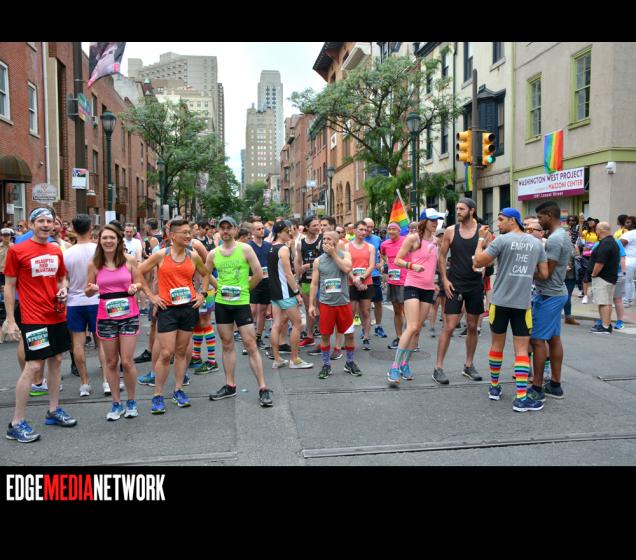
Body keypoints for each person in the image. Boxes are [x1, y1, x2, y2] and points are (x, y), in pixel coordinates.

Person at [4, 207, 77, 443]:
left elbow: (61, 278)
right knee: (34, 366)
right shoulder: (17, 250)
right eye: (41, 221)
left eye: (50, 221)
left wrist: (63, 289)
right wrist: (11, 320)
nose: (46, 225)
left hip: (56, 314)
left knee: (57, 360)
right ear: (31, 224)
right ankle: (16, 423)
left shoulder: (56, 250)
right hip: (33, 317)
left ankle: (53, 411)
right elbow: (9, 286)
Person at [472, 208, 548, 412]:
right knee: (521, 350)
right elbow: (543, 273)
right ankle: (521, 397)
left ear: (513, 220)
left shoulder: (501, 241)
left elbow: (478, 261)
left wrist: (481, 239)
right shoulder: (536, 243)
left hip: (499, 302)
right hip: (522, 303)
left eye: (501, 219)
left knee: (497, 345)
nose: (498, 223)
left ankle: (494, 387)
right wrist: (525, 274)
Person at [138, 219, 211, 414]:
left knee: (181, 352)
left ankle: (178, 390)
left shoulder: (193, 256)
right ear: (172, 236)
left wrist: (202, 294)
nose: (188, 236)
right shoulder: (161, 255)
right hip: (168, 309)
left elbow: (205, 274)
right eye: (184, 232)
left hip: (188, 308)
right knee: (165, 353)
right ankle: (157, 395)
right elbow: (139, 272)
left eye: (189, 232)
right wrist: (152, 296)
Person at [207, 216, 273, 407]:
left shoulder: (245, 249)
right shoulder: (213, 253)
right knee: (227, 344)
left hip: (242, 303)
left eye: (229, 227)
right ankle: (230, 385)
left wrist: (246, 290)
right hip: (222, 304)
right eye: (222, 228)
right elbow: (206, 273)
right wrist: (218, 287)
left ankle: (263, 388)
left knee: (250, 344)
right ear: (219, 231)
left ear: (235, 230)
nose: (225, 231)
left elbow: (258, 273)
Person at [86, 224, 143, 420]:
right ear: (99, 241)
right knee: (111, 362)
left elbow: (139, 282)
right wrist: (91, 289)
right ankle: (116, 403)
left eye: (112, 238)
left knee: (127, 362)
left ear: (119, 240)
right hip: (106, 317)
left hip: (128, 315)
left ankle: (132, 401)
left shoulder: (129, 260)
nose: (108, 241)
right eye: (104, 238)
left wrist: (135, 287)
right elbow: (87, 290)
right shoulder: (94, 264)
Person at [388, 209, 444, 384]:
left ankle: (405, 364)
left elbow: (436, 263)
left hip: (428, 288)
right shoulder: (413, 239)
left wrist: (439, 280)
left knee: (417, 329)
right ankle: (394, 367)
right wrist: (412, 266)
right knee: (411, 326)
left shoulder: (436, 241)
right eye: (432, 220)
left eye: (437, 220)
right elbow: (397, 260)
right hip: (412, 285)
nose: (435, 223)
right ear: (424, 221)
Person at [433, 198, 485, 385]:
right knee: (449, 326)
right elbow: (441, 256)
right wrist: (444, 279)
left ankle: (468, 365)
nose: (458, 211)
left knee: (472, 326)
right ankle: (438, 368)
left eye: (462, 209)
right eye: (457, 209)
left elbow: (490, 255)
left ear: (472, 210)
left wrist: (484, 266)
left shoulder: (483, 231)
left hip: (475, 285)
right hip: (454, 284)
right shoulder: (450, 231)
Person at [527, 201, 573, 402]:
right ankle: (555, 385)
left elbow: (546, 273)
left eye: (540, 217)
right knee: (553, 339)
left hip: (549, 294)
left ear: (549, 215)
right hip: (557, 292)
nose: (539, 222)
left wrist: (526, 273)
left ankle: (537, 387)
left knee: (537, 340)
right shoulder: (563, 235)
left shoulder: (554, 239)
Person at [64, 214, 107, 397]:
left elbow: (64, 279)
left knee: (78, 344)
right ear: (90, 229)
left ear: (73, 229)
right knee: (102, 342)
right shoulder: (99, 250)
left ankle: (84, 384)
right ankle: (106, 381)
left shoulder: (67, 253)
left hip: (74, 301)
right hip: (96, 300)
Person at [309, 230, 361, 379]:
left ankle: (349, 363)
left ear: (337, 242)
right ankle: (326, 365)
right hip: (326, 304)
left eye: (329, 239)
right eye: (324, 239)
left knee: (349, 335)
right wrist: (312, 305)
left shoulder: (345, 255)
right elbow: (314, 284)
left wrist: (333, 254)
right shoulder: (318, 261)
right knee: (325, 336)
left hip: (343, 303)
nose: (325, 242)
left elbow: (347, 269)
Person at [268, 221, 312, 370]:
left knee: (276, 325)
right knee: (298, 324)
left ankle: (277, 359)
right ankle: (294, 360)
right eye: (287, 231)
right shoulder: (283, 249)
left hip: (275, 292)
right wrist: (297, 292)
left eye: (291, 230)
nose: (290, 233)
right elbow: (288, 274)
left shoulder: (271, 248)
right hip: (285, 292)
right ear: (279, 233)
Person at [347, 221, 375, 351]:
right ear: (354, 230)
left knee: (365, 311)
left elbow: (371, 265)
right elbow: (346, 266)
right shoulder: (347, 246)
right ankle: (349, 338)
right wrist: (354, 279)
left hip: (366, 282)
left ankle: (366, 337)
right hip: (351, 282)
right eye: (361, 229)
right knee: (351, 312)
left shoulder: (370, 247)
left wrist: (362, 278)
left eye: (365, 230)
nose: (364, 232)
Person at [589, 222, 620, 335]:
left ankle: (605, 326)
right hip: (610, 277)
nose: (596, 231)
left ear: (601, 230)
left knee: (603, 302)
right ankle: (606, 323)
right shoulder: (612, 242)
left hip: (602, 277)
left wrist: (593, 274)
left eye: (597, 229)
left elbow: (600, 262)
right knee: (607, 302)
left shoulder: (605, 243)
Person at [380, 222, 407, 350]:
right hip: (392, 281)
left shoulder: (406, 241)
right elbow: (382, 254)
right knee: (397, 311)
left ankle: (411, 339)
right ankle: (399, 337)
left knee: (407, 312)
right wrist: (387, 263)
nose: (391, 231)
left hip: (405, 281)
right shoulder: (385, 244)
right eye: (389, 229)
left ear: (399, 231)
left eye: (394, 229)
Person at [297, 216, 323, 348]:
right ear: (307, 227)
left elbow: (326, 259)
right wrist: (297, 278)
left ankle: (324, 338)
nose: (318, 227)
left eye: (318, 225)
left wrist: (310, 265)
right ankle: (309, 336)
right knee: (309, 308)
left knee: (321, 308)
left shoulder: (322, 240)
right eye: (314, 225)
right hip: (306, 280)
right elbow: (298, 262)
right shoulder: (300, 243)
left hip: (321, 279)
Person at [248, 221, 272, 350]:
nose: (261, 231)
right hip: (253, 281)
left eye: (262, 228)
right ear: (252, 232)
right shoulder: (248, 246)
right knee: (252, 310)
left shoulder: (268, 245)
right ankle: (249, 338)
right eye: (258, 229)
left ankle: (258, 337)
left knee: (263, 311)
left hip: (266, 281)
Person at [363, 218, 386, 339]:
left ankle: (378, 326)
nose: (369, 229)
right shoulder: (356, 239)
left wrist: (381, 263)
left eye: (371, 227)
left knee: (378, 302)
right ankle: (364, 328)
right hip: (362, 276)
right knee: (364, 305)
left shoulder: (377, 239)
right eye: (367, 226)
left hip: (375, 275)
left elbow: (382, 254)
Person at [578, 218, 599, 304]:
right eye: (589, 221)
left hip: (596, 256)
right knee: (586, 275)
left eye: (592, 221)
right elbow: (580, 235)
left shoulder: (598, 233)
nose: (590, 222)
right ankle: (585, 295)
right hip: (586, 256)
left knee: (596, 275)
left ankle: (594, 293)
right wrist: (581, 223)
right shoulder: (586, 232)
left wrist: (591, 247)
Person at [620, 216, 636, 306]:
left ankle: (625, 300)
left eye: (628, 222)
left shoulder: (629, 234)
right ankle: (630, 298)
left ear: (634, 224)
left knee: (626, 280)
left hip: (628, 260)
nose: (626, 224)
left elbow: (620, 245)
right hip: (633, 260)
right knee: (630, 280)